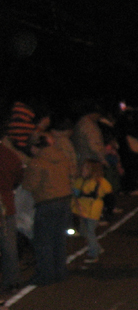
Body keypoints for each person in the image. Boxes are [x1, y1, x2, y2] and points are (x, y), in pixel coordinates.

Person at [22, 115, 78, 286]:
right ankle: (60, 272)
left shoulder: (37, 163)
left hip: (47, 203)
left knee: (43, 241)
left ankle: (45, 275)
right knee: (59, 240)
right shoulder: (62, 157)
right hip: (64, 200)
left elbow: (29, 186)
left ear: (34, 147)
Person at [71, 159, 113, 264]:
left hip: (92, 211)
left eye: (86, 168)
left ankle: (94, 254)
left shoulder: (99, 182)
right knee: (83, 230)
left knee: (90, 232)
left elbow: (108, 192)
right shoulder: (80, 180)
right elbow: (75, 191)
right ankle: (97, 247)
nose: (83, 170)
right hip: (82, 210)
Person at [0, 135, 25, 292]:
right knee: (8, 245)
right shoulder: (9, 154)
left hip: (5, 203)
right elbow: (18, 175)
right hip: (6, 203)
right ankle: (12, 281)